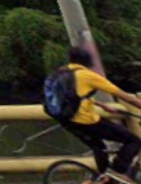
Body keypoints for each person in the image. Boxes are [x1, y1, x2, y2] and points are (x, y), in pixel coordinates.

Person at [57, 46, 141, 182]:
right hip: (85, 121)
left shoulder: (62, 72)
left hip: (66, 120)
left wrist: (101, 105)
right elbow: (127, 98)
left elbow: (75, 96)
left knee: (99, 147)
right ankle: (117, 173)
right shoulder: (87, 75)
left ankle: (103, 178)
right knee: (133, 141)